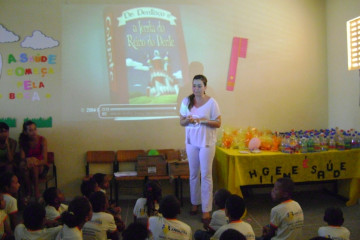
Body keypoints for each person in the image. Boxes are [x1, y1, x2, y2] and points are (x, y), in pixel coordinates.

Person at [179, 74, 221, 222]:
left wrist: (203, 121)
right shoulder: (187, 100)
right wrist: (187, 119)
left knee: (206, 175)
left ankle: (206, 209)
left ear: (205, 87)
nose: (196, 88)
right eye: (194, 85)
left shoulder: (211, 103)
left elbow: (218, 123)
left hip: (207, 143)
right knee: (193, 174)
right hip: (191, 142)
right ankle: (195, 203)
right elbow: (182, 122)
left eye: (199, 86)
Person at [19, 120, 48, 201]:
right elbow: (22, 158)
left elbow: (45, 160)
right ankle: (29, 191)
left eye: (35, 129)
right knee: (24, 167)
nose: (34, 132)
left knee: (34, 166)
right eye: (30, 130)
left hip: (41, 165)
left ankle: (35, 191)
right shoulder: (23, 141)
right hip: (28, 165)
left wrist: (35, 161)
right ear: (25, 132)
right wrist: (29, 159)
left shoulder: (42, 140)